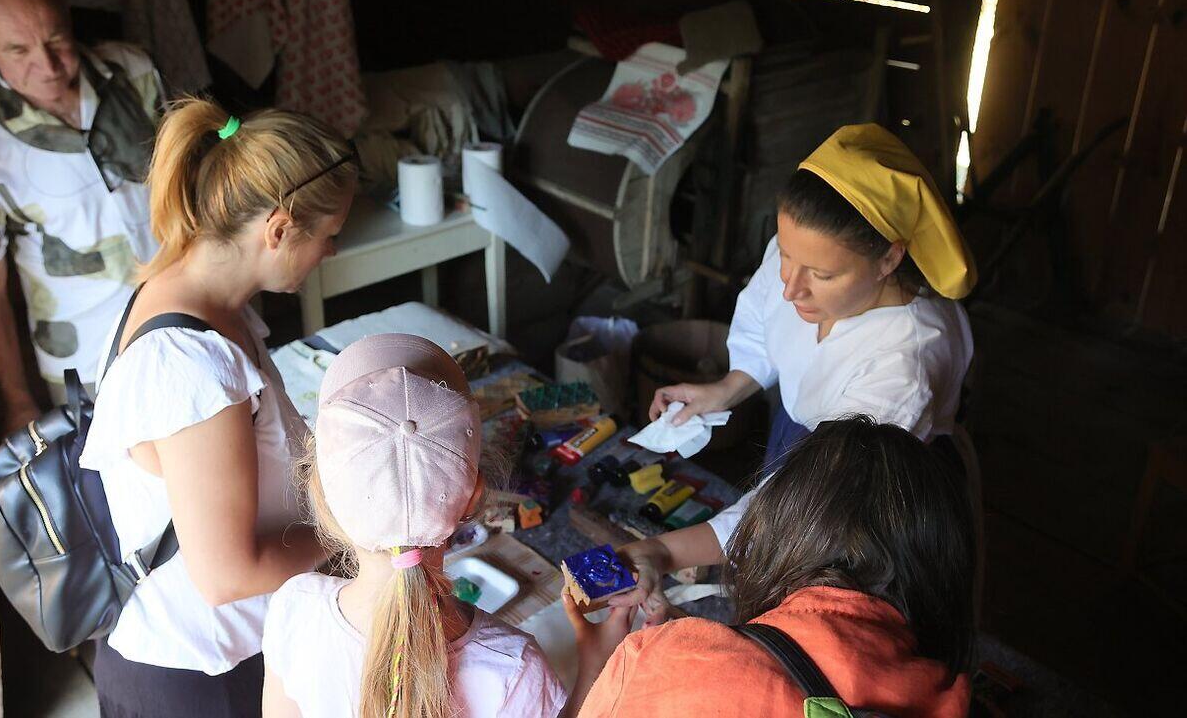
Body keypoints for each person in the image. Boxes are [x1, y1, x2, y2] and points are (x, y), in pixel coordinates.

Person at [620, 123, 978, 624]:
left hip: (876, 495)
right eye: (786, 256)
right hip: (806, 443)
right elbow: (763, 313)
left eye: (822, 275)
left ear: (889, 258)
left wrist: (665, 551)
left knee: (828, 617)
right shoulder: (806, 251)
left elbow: (799, 507)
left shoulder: (903, 368)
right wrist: (729, 387)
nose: (791, 288)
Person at [78, 98, 357, 718]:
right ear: (278, 229)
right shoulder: (188, 367)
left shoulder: (209, 305)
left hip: (234, 650)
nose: (332, 252)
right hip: (198, 675)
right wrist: (349, 532)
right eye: (330, 235)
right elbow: (227, 575)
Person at [565, 416, 975, 717]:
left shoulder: (655, 660)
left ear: (772, 540)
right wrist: (722, 649)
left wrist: (607, 666)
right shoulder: (948, 695)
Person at [262, 333, 566, 718]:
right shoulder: (516, 671)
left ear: (320, 493)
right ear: (474, 498)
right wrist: (593, 661)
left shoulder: (294, 609)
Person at [0, 0, 166, 424]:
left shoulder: (134, 72)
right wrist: (17, 401)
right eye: (18, 50)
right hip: (89, 360)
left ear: (67, 10)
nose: (47, 66)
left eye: (55, 39)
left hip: (191, 314)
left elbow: (196, 175)